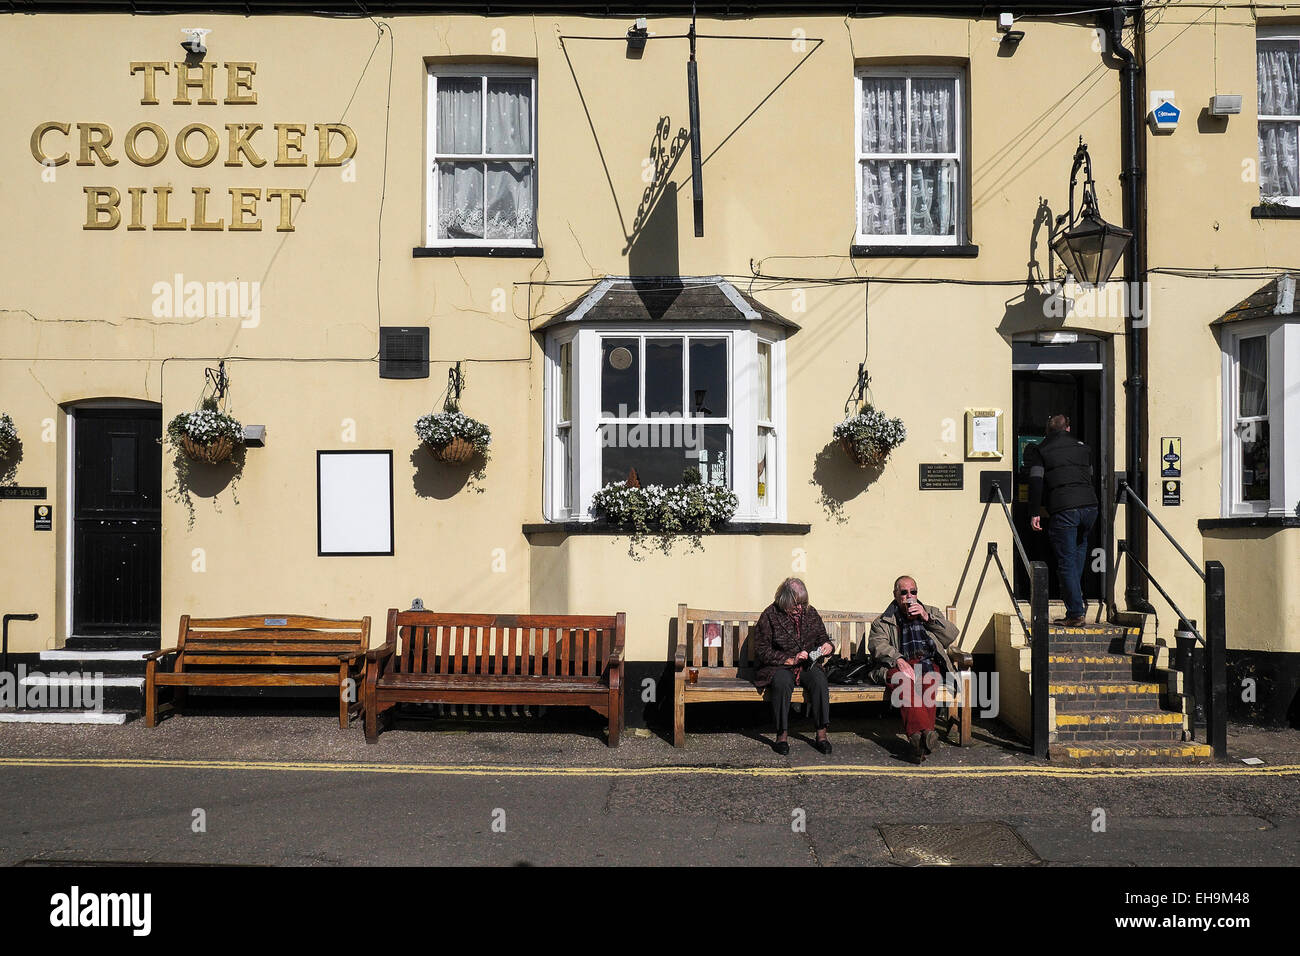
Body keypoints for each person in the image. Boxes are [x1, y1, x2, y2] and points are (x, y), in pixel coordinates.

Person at [868, 575, 961, 763]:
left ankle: (918, 742)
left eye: (913, 592)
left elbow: (950, 635)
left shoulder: (931, 612)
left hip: (927, 662)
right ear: (895, 595)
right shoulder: (883, 621)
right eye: (904, 593)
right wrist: (898, 659)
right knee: (901, 681)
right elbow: (877, 645)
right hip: (898, 665)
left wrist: (927, 618)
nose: (909, 596)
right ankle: (926, 736)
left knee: (930, 681)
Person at [1025, 413, 1099, 627]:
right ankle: (1075, 603)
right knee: (1076, 556)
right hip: (1090, 506)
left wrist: (1034, 511)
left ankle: (1076, 613)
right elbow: (1090, 475)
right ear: (1068, 428)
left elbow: (1036, 481)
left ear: (1048, 431)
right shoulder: (1083, 448)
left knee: (1066, 561)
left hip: (1065, 508)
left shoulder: (1042, 449)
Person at [753, 578, 835, 756]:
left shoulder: (810, 613)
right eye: (796, 604)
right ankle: (781, 735)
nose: (800, 608)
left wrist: (827, 647)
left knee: (819, 680)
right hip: (779, 666)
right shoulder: (770, 615)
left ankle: (821, 735)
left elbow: (822, 638)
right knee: (782, 682)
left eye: (803, 603)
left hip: (806, 664)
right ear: (784, 599)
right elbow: (761, 650)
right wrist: (789, 659)